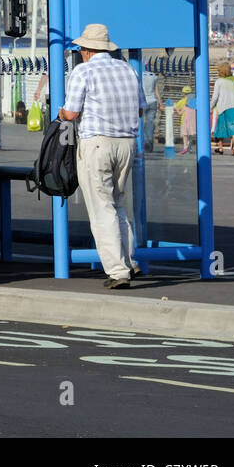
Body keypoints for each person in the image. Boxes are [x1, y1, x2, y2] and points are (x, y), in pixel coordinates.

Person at [57, 23, 145, 290]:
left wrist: (60, 113)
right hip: (127, 144)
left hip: (97, 144)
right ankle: (130, 261)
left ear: (86, 50)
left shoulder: (83, 71)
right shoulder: (127, 69)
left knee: (101, 207)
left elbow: (71, 114)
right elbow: (140, 110)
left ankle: (118, 271)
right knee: (118, 204)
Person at [211, 61, 234, 155]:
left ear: (221, 71)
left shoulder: (219, 81)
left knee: (221, 127)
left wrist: (210, 107)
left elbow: (215, 96)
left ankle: (221, 148)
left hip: (224, 107)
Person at [178, 85, 197, 154]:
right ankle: (190, 148)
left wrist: (175, 108)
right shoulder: (195, 107)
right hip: (193, 123)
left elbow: (178, 111)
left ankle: (185, 147)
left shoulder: (183, 103)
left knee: (184, 135)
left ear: (183, 93)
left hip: (184, 121)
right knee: (191, 136)